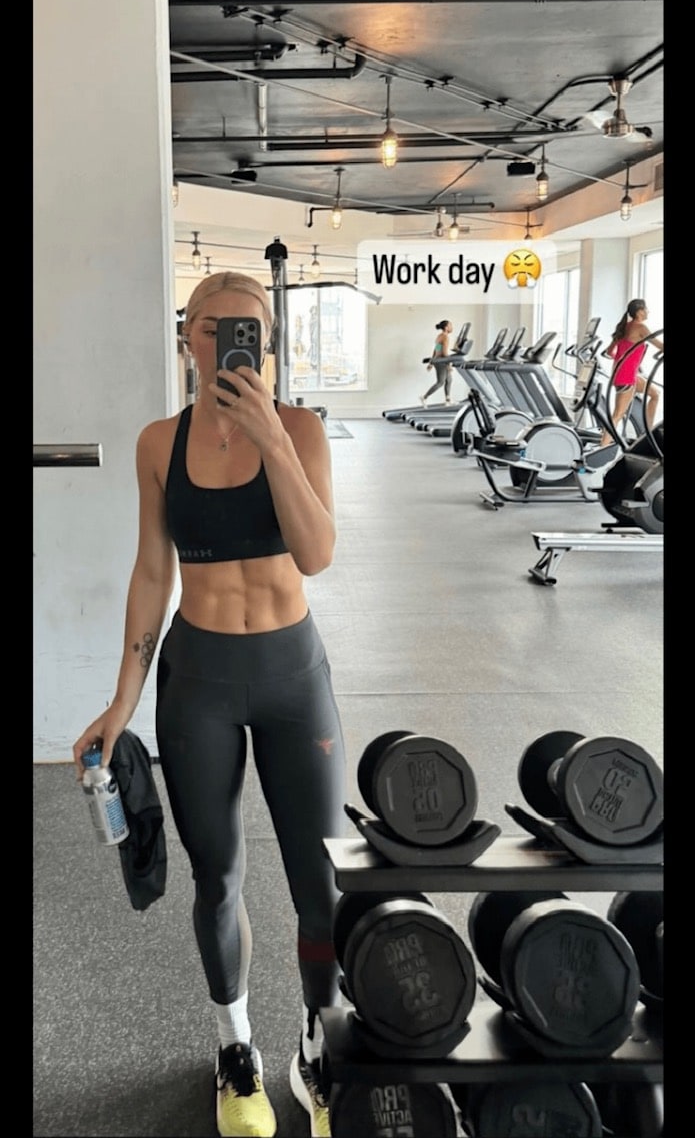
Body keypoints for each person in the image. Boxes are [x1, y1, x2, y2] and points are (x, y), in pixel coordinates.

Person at [73, 271, 347, 1138]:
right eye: (212, 325)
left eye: (248, 328)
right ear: (188, 337)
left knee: (320, 884)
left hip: (291, 672)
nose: (229, 339)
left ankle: (317, 1044)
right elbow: (153, 571)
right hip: (199, 680)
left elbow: (317, 554)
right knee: (217, 875)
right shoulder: (159, 442)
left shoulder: (301, 429)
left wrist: (271, 439)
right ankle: (235, 1047)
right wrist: (121, 700)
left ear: (267, 342)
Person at [599, 299, 664, 445]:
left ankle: (647, 434)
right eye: (646, 309)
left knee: (655, 394)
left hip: (623, 373)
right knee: (618, 414)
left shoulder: (624, 327)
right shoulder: (641, 328)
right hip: (626, 376)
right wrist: (628, 364)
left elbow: (609, 352)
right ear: (639, 311)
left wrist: (624, 361)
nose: (648, 312)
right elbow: (660, 346)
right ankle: (602, 447)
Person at [419, 319, 454, 405]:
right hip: (441, 361)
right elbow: (444, 352)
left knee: (449, 379)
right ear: (446, 327)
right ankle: (424, 397)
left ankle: (448, 400)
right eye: (450, 325)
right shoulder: (445, 337)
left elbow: (436, 350)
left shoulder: (440, 336)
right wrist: (448, 364)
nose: (452, 327)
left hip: (437, 360)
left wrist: (431, 362)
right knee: (440, 382)